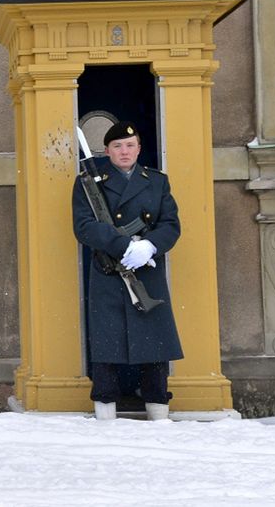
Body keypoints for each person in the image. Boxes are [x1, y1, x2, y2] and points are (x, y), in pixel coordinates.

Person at [72, 120, 182, 422]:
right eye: (117, 146)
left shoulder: (156, 181)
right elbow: (84, 226)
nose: (124, 151)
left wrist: (148, 247)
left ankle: (158, 406)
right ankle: (105, 407)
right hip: (109, 270)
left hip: (146, 270)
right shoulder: (89, 181)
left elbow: (170, 225)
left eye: (130, 145)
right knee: (107, 342)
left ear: (139, 149)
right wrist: (123, 246)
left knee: (153, 341)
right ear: (107, 150)